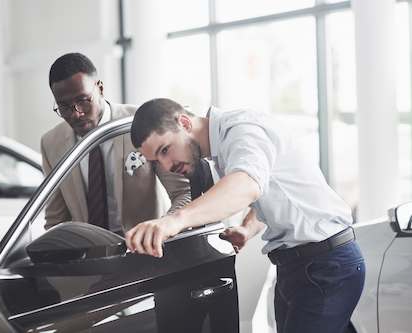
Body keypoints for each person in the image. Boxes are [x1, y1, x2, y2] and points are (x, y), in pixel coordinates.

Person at [125, 98, 365, 333]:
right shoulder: (225, 145)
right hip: (299, 266)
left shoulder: (241, 131)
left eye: (165, 150)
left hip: (325, 265)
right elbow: (271, 189)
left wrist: (174, 221)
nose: (167, 166)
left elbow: (247, 185)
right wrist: (248, 229)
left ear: (184, 123)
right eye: (158, 160)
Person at [41, 54, 190, 233]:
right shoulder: (51, 143)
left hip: (150, 252)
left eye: (82, 100)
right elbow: (57, 221)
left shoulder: (143, 123)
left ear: (100, 89)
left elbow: (183, 193)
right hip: (90, 256)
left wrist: (161, 230)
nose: (76, 114)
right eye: (64, 107)